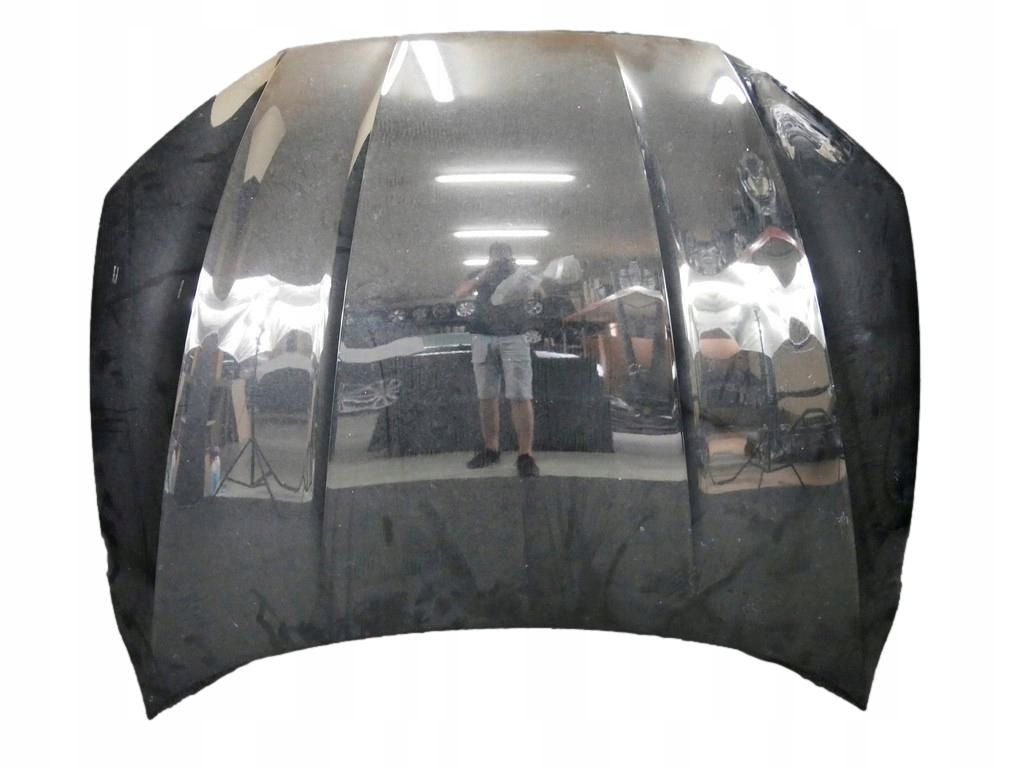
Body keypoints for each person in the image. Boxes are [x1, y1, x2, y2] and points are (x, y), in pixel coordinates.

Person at [454, 241, 540, 477]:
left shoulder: (520, 273)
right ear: (490, 257)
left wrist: (520, 274)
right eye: (496, 256)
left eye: (504, 256)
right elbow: (459, 293)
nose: (500, 260)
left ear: (511, 257)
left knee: (520, 395)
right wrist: (483, 275)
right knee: (486, 396)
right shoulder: (479, 274)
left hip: (515, 336)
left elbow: (540, 293)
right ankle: (491, 449)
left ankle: (525, 455)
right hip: (483, 337)